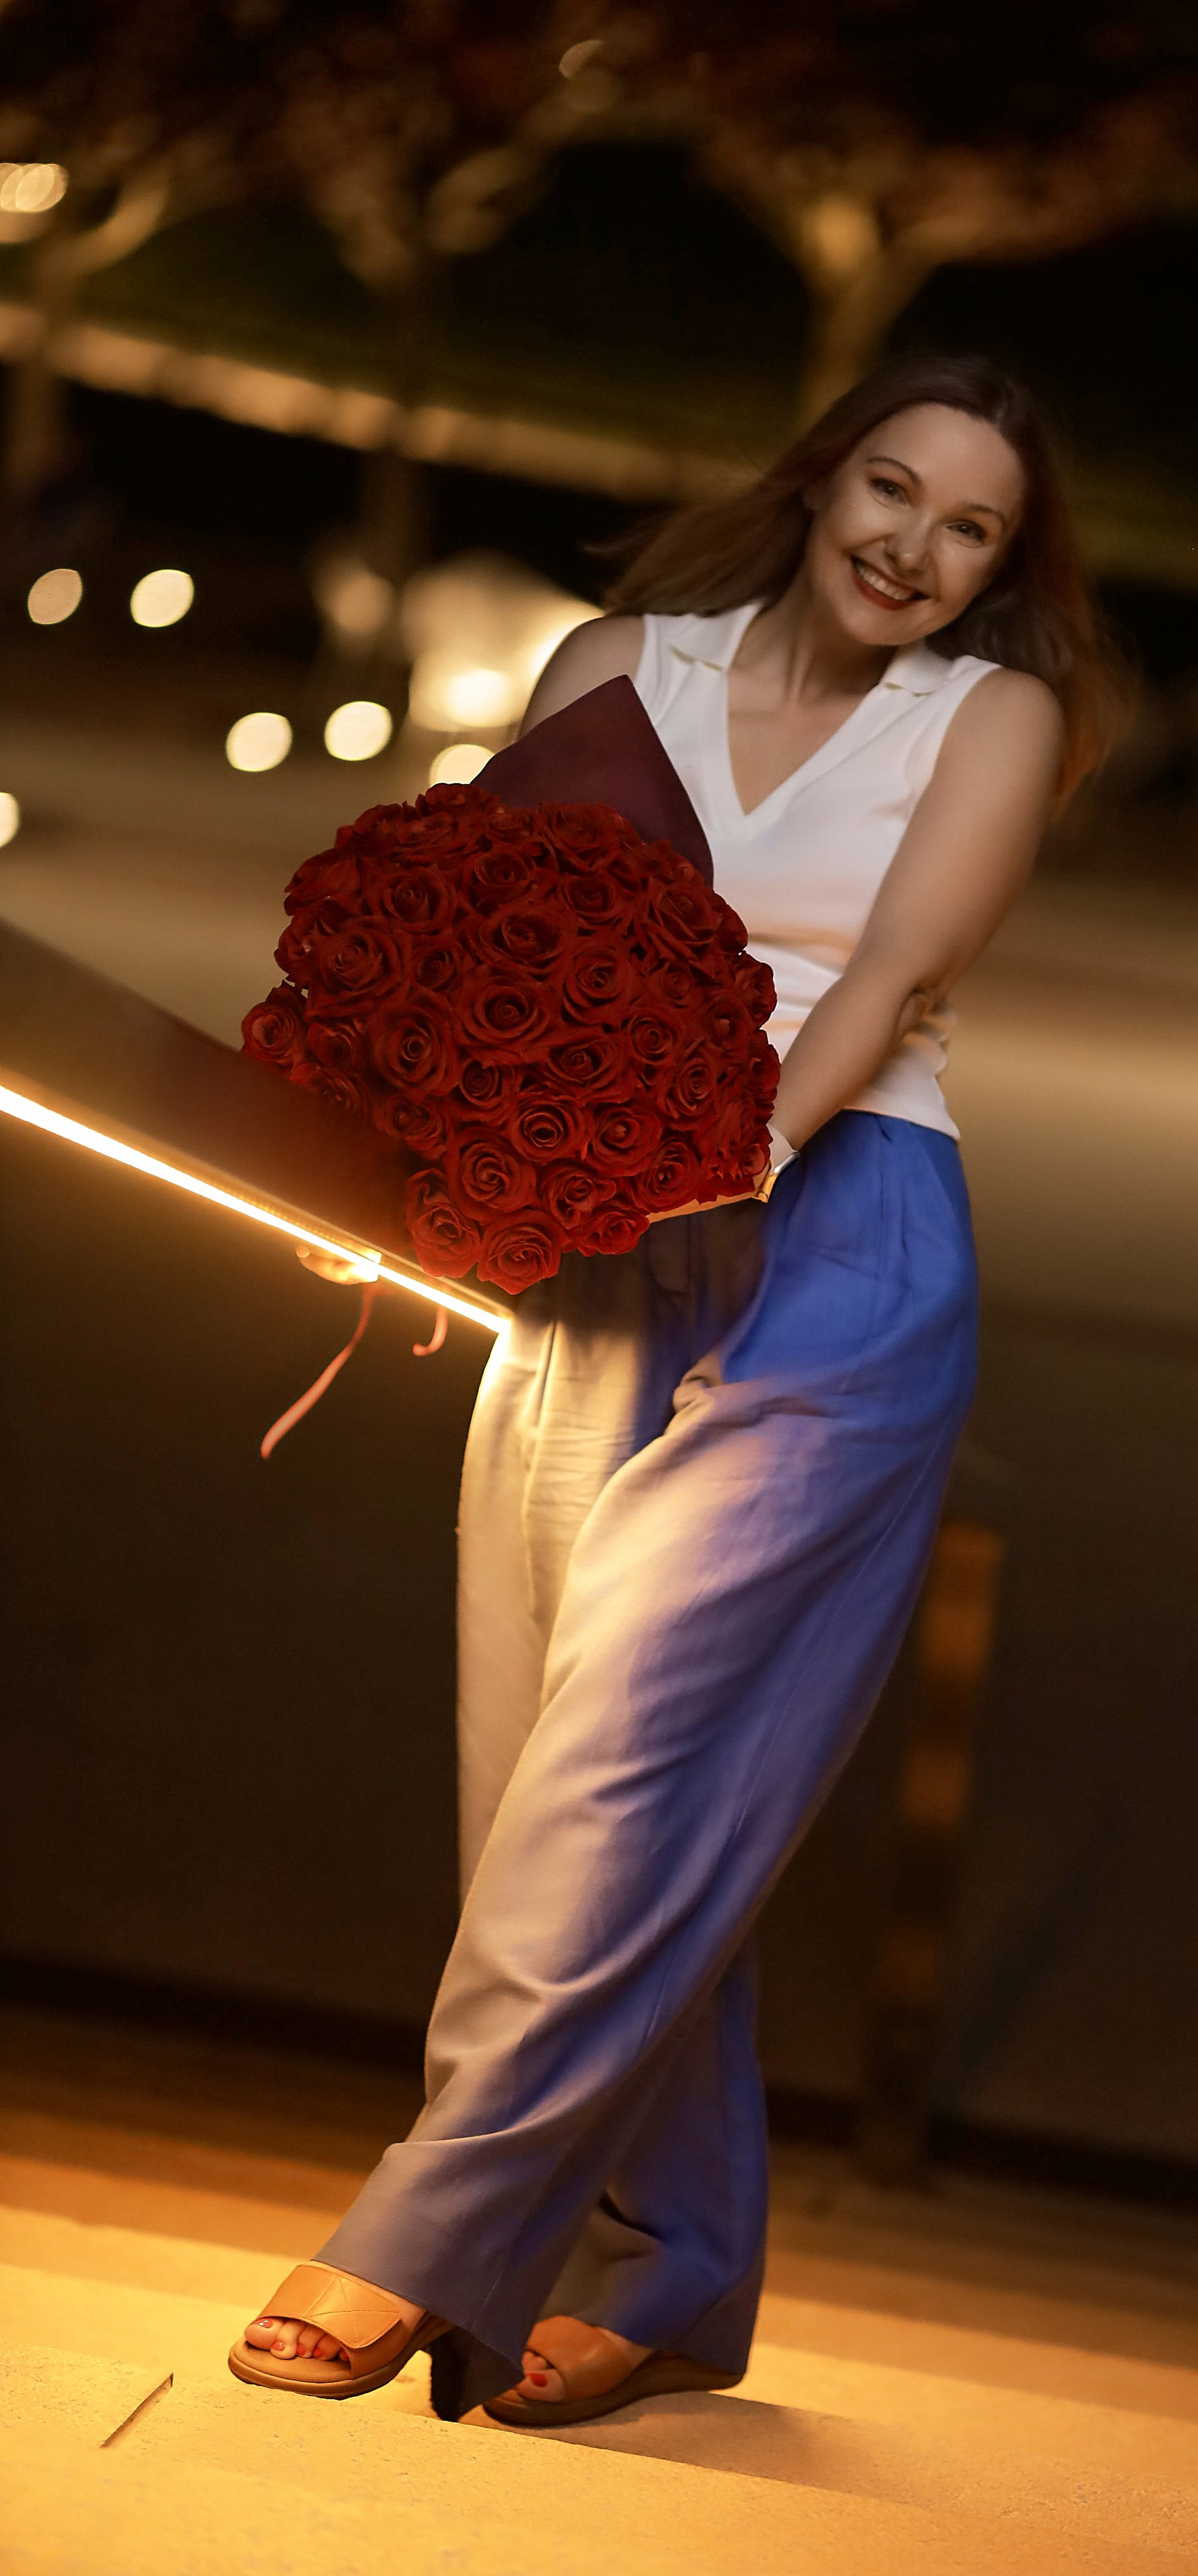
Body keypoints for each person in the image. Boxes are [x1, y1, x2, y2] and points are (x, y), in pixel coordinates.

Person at [230, 351, 1122, 2426]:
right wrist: (397, 1181)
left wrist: (721, 1170)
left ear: (1001, 562)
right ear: (821, 485)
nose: (913, 545)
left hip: (844, 1242)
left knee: (627, 1759)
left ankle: (419, 2238)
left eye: (968, 524)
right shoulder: (619, 659)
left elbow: (894, 976)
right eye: (889, 490)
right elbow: (475, 938)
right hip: (588, 1249)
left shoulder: (994, 716)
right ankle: (679, 2269)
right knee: (549, 1761)